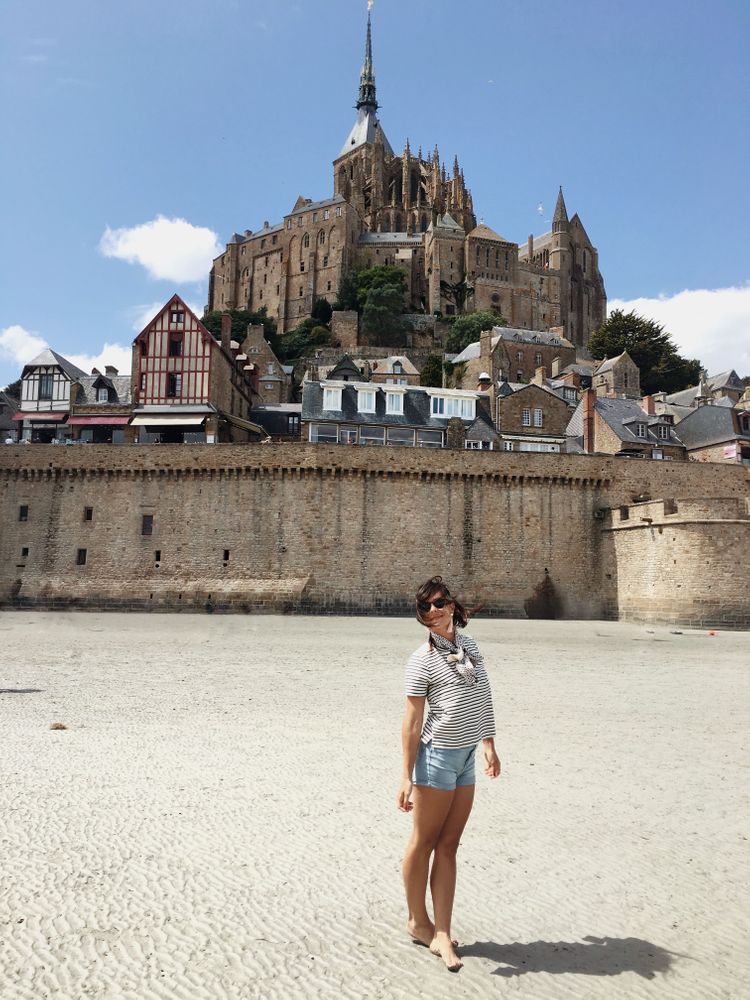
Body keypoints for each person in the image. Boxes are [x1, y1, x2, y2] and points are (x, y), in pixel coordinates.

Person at [397, 575, 500, 972]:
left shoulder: (470, 647)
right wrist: (406, 775)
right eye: (425, 607)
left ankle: (442, 930)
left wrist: (488, 743)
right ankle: (417, 921)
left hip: (466, 757)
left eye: (439, 603)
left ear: (453, 606)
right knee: (423, 841)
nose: (433, 611)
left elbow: (482, 696)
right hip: (435, 758)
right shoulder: (421, 659)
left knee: (449, 845)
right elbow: (411, 722)